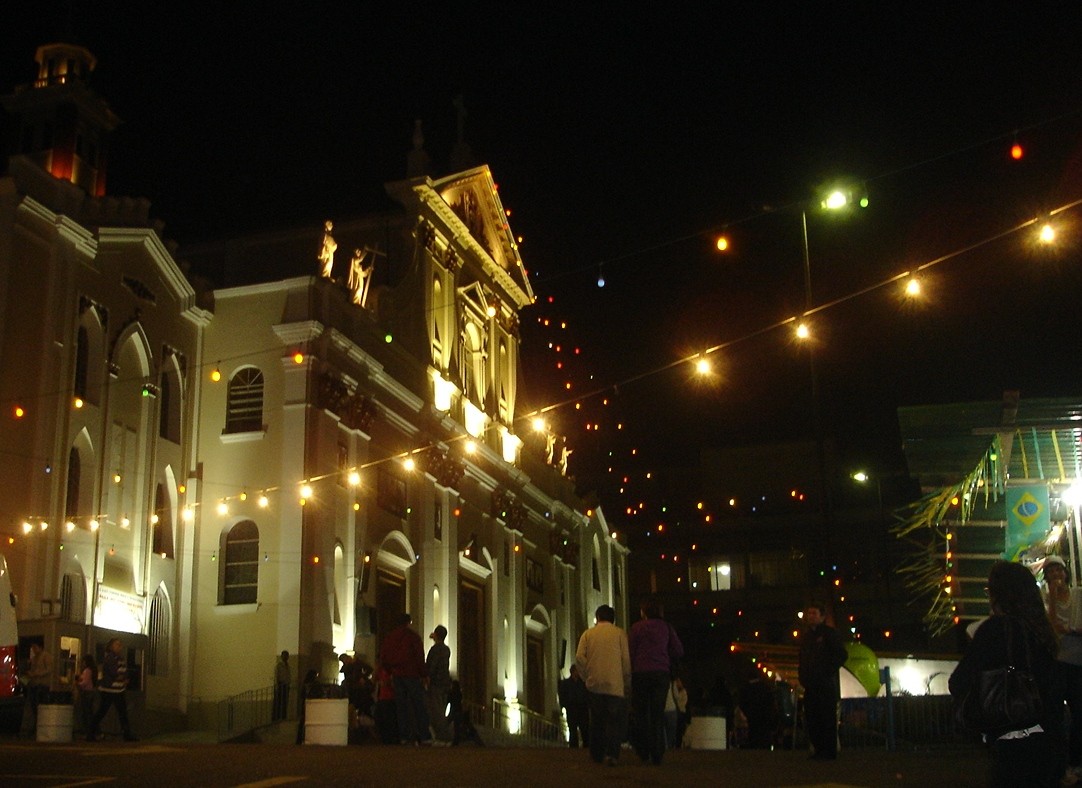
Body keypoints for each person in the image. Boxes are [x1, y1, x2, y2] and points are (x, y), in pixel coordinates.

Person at [951, 560, 1065, 787]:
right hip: (1048, 742)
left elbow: (958, 681)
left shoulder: (993, 630)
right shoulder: (1042, 631)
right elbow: (1053, 691)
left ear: (1000, 595)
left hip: (1009, 742)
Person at [628, 597, 684, 765]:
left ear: (643, 612)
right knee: (657, 713)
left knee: (641, 713)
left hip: (641, 673)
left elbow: (631, 651)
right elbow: (678, 650)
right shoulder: (666, 627)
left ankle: (643, 751)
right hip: (661, 673)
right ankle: (658, 752)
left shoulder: (637, 628)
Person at [575, 604, 631, 766]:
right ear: (613, 619)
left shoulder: (588, 634)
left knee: (596, 720)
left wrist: (586, 676)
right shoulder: (620, 634)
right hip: (615, 684)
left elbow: (579, 657)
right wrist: (626, 681)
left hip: (595, 684)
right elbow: (626, 661)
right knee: (613, 721)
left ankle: (596, 754)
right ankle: (612, 754)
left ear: (597, 617)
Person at [1043, 555, 1082, 784]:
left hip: (1078, 662)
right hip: (1057, 663)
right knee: (1055, 715)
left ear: (1065, 573)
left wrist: (1070, 630)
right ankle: (1059, 765)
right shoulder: (1045, 599)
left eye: (1058, 570)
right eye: (1051, 573)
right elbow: (1052, 628)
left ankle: (1075, 762)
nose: (1056, 575)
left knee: (1079, 713)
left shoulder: (1078, 595)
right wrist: (1053, 599)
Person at [797, 602, 847, 760]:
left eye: (814, 613)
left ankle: (828, 751)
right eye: (809, 613)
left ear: (822, 617)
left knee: (826, 716)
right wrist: (803, 676)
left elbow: (841, 655)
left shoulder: (829, 634)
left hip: (824, 683)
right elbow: (802, 659)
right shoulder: (807, 637)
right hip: (811, 684)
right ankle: (818, 749)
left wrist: (826, 671)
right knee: (813, 717)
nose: (811, 616)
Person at [379, 612, 431, 744]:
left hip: (397, 675)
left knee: (401, 707)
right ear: (409, 622)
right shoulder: (412, 637)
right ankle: (424, 735)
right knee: (418, 705)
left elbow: (384, 657)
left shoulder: (390, 637)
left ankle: (404, 736)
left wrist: (390, 671)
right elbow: (419, 657)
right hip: (412, 674)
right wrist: (424, 674)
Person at [88, 638, 136, 742]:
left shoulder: (119, 658)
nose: (120, 647)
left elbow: (122, 672)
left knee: (120, 712)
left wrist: (124, 677)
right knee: (105, 711)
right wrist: (122, 677)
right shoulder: (110, 658)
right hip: (109, 690)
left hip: (118, 689)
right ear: (111, 646)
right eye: (117, 644)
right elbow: (114, 673)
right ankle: (91, 732)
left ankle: (126, 734)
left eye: (120, 645)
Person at [425, 625, 451, 742]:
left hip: (436, 683)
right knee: (441, 708)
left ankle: (441, 736)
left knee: (436, 710)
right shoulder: (446, 649)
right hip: (444, 683)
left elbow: (432, 666)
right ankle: (444, 735)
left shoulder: (435, 650)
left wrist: (427, 677)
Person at [557, 664, 590, 748]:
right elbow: (562, 696)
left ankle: (585, 746)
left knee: (584, 729)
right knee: (572, 730)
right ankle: (574, 747)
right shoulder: (566, 684)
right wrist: (564, 705)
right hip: (572, 709)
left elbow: (586, 695)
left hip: (582, 709)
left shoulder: (583, 683)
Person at [25, 642, 53, 734]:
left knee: (40, 705)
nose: (33, 650)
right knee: (34, 706)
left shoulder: (46, 656)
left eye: (35, 647)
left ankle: (40, 725)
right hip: (34, 684)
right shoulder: (34, 658)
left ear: (40, 647)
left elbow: (49, 669)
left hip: (42, 685)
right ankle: (35, 725)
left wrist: (37, 674)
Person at [447, 679, 483, 746]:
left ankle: (457, 740)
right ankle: (458, 740)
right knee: (462, 726)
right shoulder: (459, 693)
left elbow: (450, 702)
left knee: (457, 727)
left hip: (456, 712)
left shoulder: (452, 694)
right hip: (459, 712)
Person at [373, 661, 399, 744]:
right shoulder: (381, 670)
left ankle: (389, 738)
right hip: (383, 698)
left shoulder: (391, 671)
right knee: (383, 719)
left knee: (389, 720)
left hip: (389, 698)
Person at [296, 669, 320, 744]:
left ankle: (299, 739)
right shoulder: (315, 684)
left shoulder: (305, 684)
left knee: (302, 722)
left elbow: (302, 695)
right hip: (312, 705)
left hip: (305, 704)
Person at [75, 654, 97, 736]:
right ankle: (92, 731)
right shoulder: (92, 670)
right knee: (89, 712)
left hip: (86, 692)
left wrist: (78, 684)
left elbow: (85, 682)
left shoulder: (87, 670)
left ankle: (88, 731)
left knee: (86, 712)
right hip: (90, 692)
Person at [664, 676, 688, 750]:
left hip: (661, 709)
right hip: (671, 709)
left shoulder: (658, 683)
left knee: (662, 732)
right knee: (671, 733)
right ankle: (670, 749)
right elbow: (676, 696)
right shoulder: (672, 684)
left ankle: (665, 747)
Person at [274, 650, 291, 721]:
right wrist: (277, 685)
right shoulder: (279, 665)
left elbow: (288, 675)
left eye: (287, 656)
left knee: (285, 701)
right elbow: (276, 676)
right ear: (281, 656)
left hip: (286, 685)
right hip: (280, 684)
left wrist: (289, 683)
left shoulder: (288, 666)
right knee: (279, 701)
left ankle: (284, 716)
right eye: (284, 655)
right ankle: (277, 717)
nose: (286, 657)